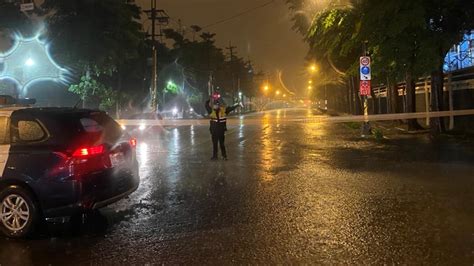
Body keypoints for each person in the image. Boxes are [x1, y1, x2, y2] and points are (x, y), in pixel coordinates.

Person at [205, 92, 240, 160]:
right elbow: (206, 105)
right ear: (213, 106)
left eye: (217, 105)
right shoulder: (211, 112)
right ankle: (215, 156)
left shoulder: (223, 111)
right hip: (214, 131)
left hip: (221, 131)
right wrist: (209, 98)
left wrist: (237, 105)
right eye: (215, 105)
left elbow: (231, 108)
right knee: (215, 145)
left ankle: (224, 156)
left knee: (222, 144)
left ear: (219, 105)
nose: (216, 106)